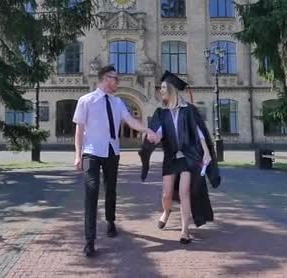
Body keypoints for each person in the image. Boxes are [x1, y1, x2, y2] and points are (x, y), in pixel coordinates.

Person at [73, 65, 158, 257]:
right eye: (115, 79)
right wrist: (78, 155)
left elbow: (130, 121)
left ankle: (110, 221)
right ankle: (90, 240)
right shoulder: (86, 101)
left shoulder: (118, 102)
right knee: (91, 192)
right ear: (105, 79)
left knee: (110, 189)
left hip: (112, 152)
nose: (118, 82)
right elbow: (79, 130)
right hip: (91, 153)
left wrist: (147, 130)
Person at [138, 70, 221, 244]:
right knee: (166, 195)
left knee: (185, 192)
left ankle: (185, 231)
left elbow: (200, 132)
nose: (160, 91)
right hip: (171, 158)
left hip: (188, 158)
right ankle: (166, 211)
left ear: (171, 89)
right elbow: (158, 133)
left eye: (162, 87)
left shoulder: (188, 110)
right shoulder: (161, 113)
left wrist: (206, 151)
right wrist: (153, 137)